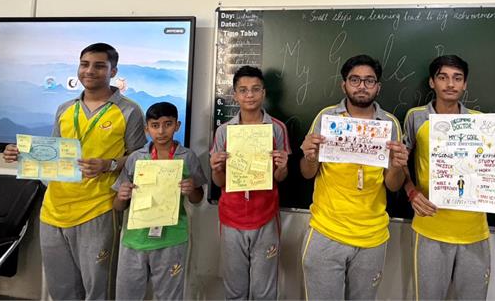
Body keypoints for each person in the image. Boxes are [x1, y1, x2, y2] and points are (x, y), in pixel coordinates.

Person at [3, 42, 146, 300]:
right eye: (84, 64)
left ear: (113, 72)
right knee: (62, 290)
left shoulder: (129, 110)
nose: (89, 71)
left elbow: (139, 157)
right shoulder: (65, 108)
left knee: (98, 290)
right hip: (53, 209)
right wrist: (21, 154)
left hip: (98, 209)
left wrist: (110, 164)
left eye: (99, 66)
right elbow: (54, 153)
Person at [403, 54, 495, 300]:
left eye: (457, 78)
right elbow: (400, 162)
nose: (450, 84)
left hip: (474, 231)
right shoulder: (416, 117)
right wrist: (411, 191)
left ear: (465, 84)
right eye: (443, 77)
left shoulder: (482, 123)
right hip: (430, 227)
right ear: (432, 82)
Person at [299, 54, 408, 300]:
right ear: (344, 84)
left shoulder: (389, 124)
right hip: (327, 230)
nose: (362, 86)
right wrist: (309, 156)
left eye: (369, 81)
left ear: (378, 87)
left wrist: (398, 166)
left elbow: (393, 185)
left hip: (372, 235)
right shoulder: (327, 118)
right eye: (355, 80)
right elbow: (307, 173)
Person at [210, 65, 290, 300]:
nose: (249, 95)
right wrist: (216, 168)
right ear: (235, 95)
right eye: (243, 90)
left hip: (266, 216)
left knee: (264, 290)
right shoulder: (224, 131)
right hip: (231, 217)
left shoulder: (277, 128)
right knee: (234, 288)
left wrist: (282, 167)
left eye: (255, 89)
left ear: (264, 93)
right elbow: (219, 181)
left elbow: (280, 178)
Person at [112, 101, 206, 300]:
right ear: (147, 129)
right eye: (155, 126)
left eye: (168, 124)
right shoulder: (136, 158)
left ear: (177, 125)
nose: (161, 131)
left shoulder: (187, 157)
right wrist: (122, 195)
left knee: (169, 295)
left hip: (172, 239)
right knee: (127, 295)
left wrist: (191, 189)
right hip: (135, 239)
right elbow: (118, 206)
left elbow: (197, 199)